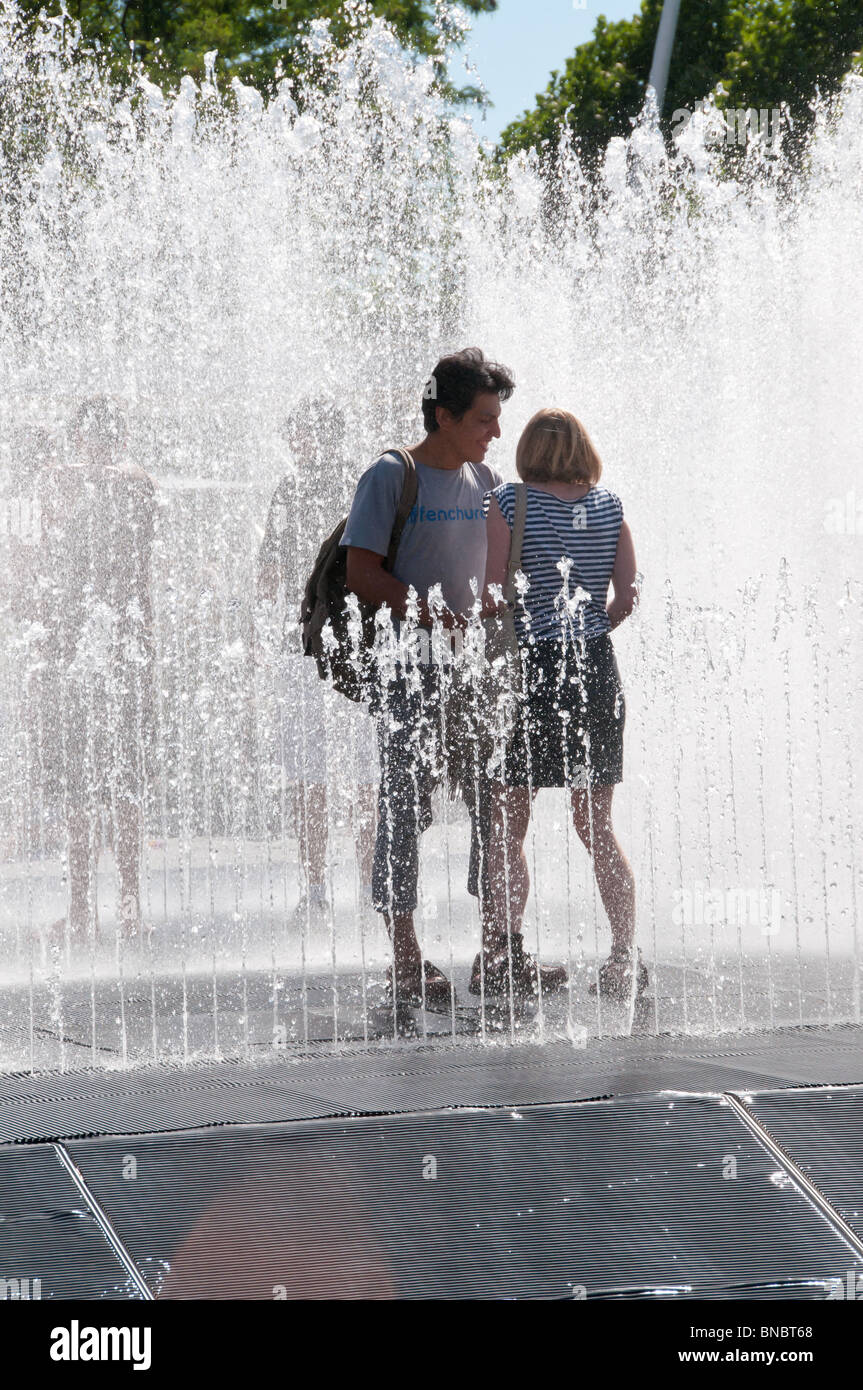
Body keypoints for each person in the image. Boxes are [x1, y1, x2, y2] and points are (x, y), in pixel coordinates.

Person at [343, 348, 568, 1011]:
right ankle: (406, 959)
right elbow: (361, 572)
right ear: (442, 415)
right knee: (404, 817)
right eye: (482, 419)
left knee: (494, 816)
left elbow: (501, 574)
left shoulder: (485, 478)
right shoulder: (391, 475)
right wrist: (427, 610)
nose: (495, 432)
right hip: (410, 674)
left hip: (477, 676)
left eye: (497, 419)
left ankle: (499, 953)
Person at [480, 407, 643, 1002]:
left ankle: (504, 951)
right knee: (596, 823)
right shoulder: (611, 506)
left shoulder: (508, 503)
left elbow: (495, 591)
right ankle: (625, 955)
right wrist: (593, 626)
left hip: (533, 669)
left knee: (510, 819)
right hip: (596, 666)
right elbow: (628, 593)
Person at [34, 397, 157, 944]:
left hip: (108, 652)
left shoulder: (126, 483)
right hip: (88, 650)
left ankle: (113, 904)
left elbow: (132, 486)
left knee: (113, 787)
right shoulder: (78, 487)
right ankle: (96, 905)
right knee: (86, 790)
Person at [257, 399, 377, 921]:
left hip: (306, 649)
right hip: (359, 648)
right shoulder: (364, 488)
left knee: (312, 777)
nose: (293, 447)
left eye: (297, 436)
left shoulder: (292, 491)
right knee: (363, 772)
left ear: (310, 439)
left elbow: (268, 575)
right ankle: (376, 883)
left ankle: (315, 890)